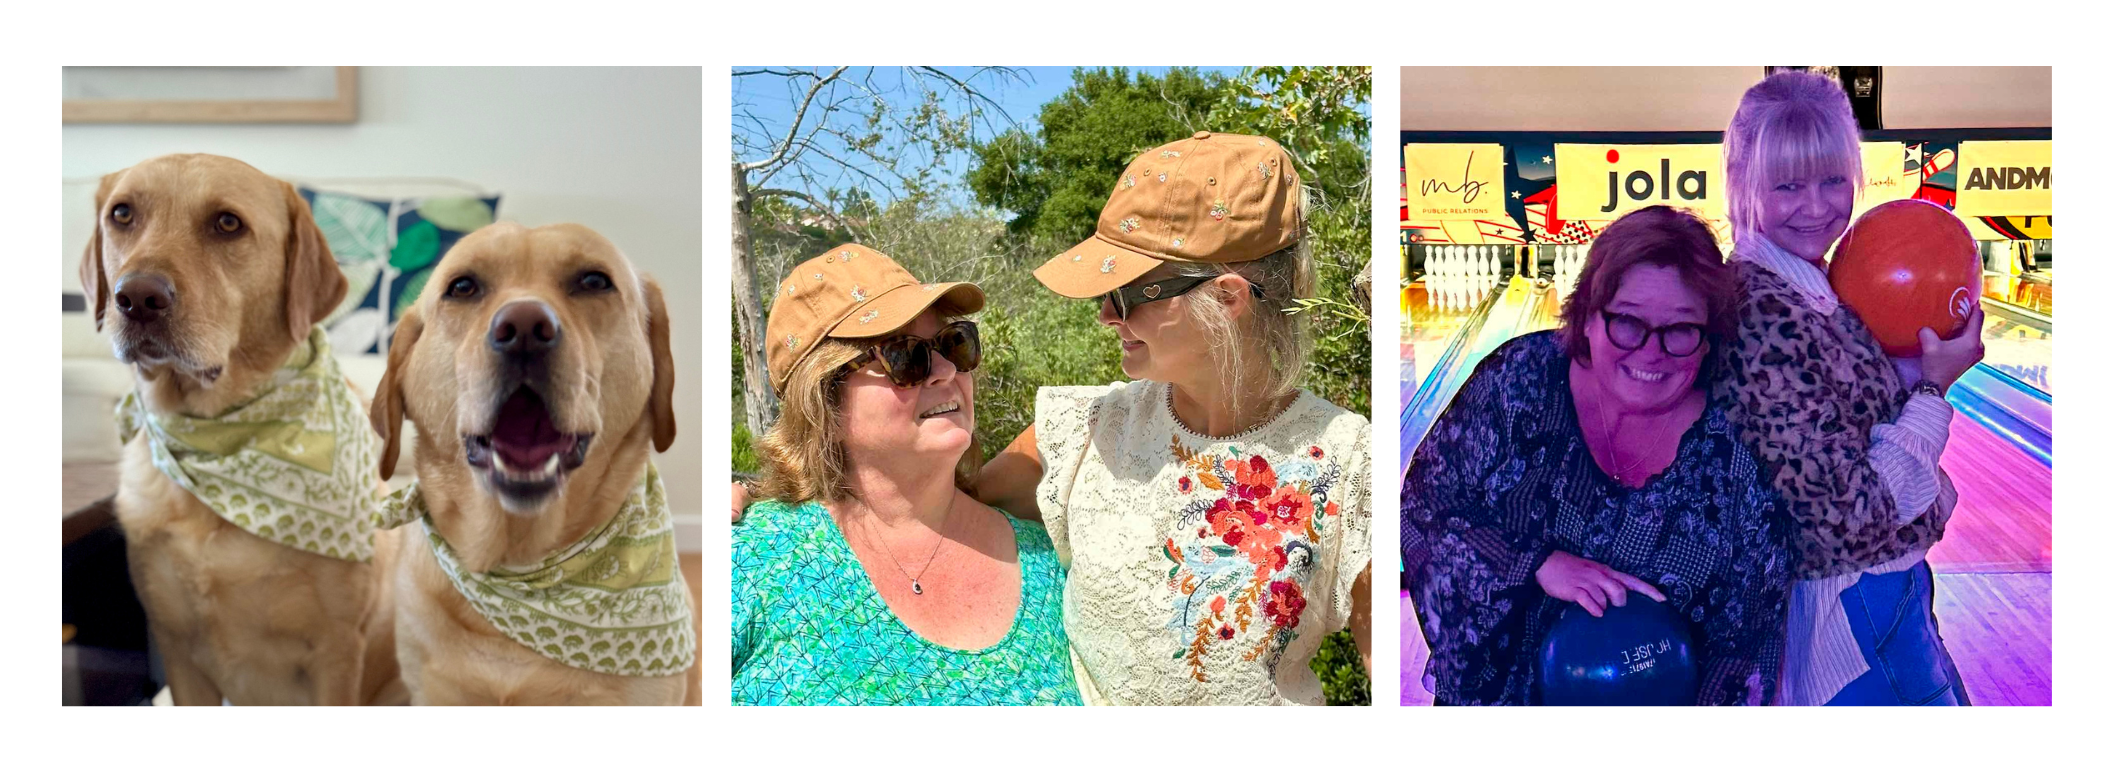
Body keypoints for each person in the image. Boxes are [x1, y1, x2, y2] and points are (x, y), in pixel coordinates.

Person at [978, 131, 1373, 705]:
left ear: (1228, 297)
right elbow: (938, 528)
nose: (1106, 316)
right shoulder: (1081, 432)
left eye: (1126, 292)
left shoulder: (1351, 462)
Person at [1400, 205, 1792, 706]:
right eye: (1627, 323)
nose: (1651, 352)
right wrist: (1534, 563)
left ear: (1708, 338)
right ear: (1587, 316)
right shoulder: (1517, 382)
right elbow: (1423, 510)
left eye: (1681, 330)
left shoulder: (1736, 457)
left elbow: (1748, 646)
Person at [1714, 71, 1981, 705]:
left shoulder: (1815, 290)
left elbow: (1853, 424)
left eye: (1834, 180)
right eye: (1787, 186)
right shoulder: (1762, 315)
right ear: (1744, 187)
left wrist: (1914, 369)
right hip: (1848, 613)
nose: (1818, 206)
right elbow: (1847, 522)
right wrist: (1933, 392)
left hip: (1883, 598)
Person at [730, 245, 1080, 705]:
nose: (946, 370)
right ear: (822, 405)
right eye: (905, 357)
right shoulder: (751, 560)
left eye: (953, 343)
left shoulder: (1045, 560)